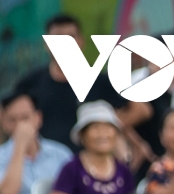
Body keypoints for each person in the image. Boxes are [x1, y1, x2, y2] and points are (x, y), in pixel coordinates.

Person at [14, 13, 152, 159]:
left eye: (70, 37)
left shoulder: (99, 81)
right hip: (43, 164)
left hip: (89, 165)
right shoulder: (29, 84)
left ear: (81, 41)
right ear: (46, 44)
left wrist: (105, 128)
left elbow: (141, 110)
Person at [47, 102, 135, 194]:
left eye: (108, 127)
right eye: (95, 128)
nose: (102, 134)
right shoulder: (72, 168)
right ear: (82, 135)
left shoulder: (123, 171)